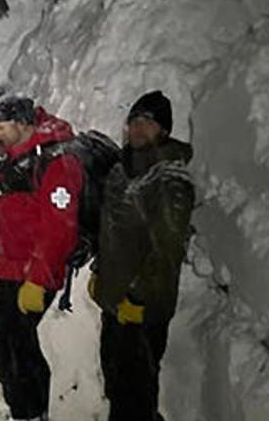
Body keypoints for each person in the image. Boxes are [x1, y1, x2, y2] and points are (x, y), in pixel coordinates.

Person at [91, 91, 195, 421]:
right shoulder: (123, 171)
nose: (137, 128)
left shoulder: (169, 178)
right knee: (118, 386)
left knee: (133, 394)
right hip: (116, 301)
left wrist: (137, 295)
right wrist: (100, 270)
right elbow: (113, 231)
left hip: (143, 307)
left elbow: (167, 247)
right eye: (134, 121)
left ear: (162, 130)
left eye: (146, 122)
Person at [0, 96, 83, 421]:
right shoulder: (17, 157)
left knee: (16, 351)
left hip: (32, 274)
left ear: (23, 124)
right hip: (11, 269)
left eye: (1, 126)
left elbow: (59, 228)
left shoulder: (56, 162)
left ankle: (32, 412)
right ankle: (25, 410)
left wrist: (38, 280)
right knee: (1, 347)